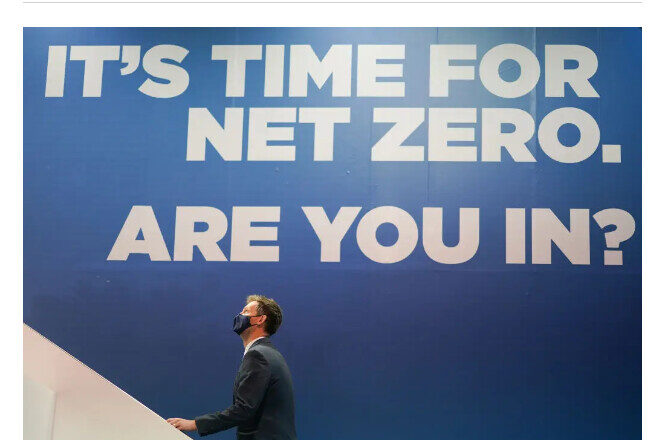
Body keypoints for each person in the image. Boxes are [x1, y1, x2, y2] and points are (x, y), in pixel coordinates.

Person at [167, 295, 297, 439]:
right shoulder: (271, 354)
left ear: (260, 319)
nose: (240, 315)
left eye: (246, 312)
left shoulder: (258, 356)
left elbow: (243, 409)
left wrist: (194, 424)